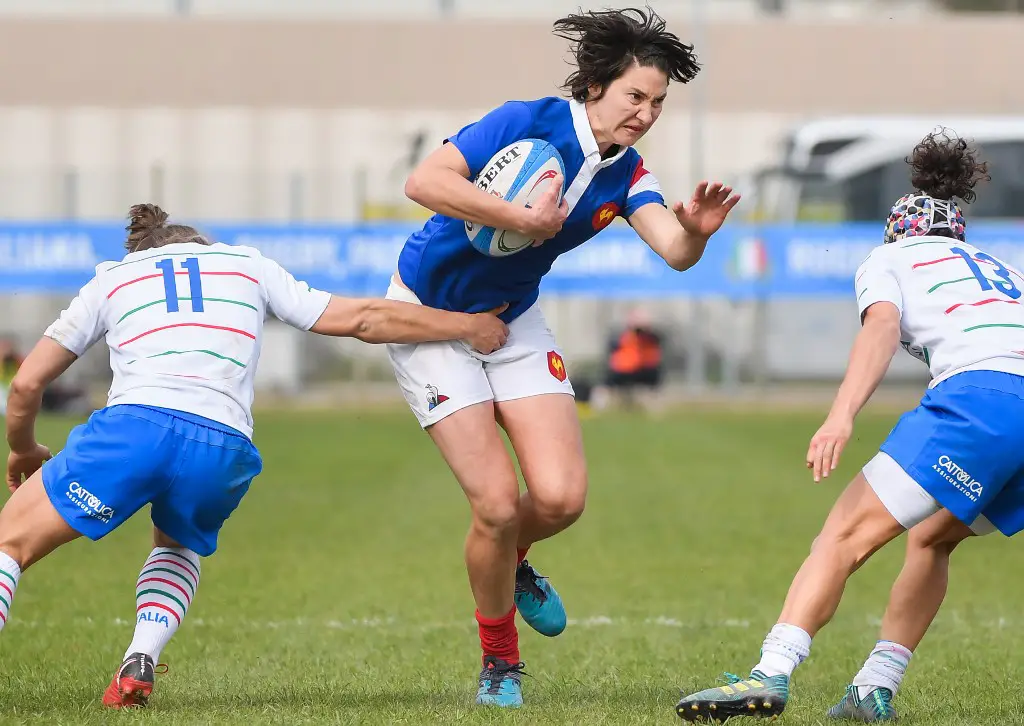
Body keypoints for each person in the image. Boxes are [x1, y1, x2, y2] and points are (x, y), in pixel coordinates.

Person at [1, 204, 509, 710]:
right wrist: (465, 326)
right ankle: (140, 655)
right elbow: (364, 318)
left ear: (145, 251)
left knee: (9, 544)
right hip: (223, 444)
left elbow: (25, 383)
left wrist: (24, 448)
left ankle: (138, 655)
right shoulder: (246, 264)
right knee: (177, 544)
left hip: (137, 427)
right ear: (201, 246)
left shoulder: (113, 278)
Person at [386, 7, 741, 708]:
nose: (646, 113)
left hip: (513, 321)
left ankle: (511, 561)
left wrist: (697, 234)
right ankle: (500, 665)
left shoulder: (627, 171)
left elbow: (673, 251)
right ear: (596, 86)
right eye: (636, 96)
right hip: (429, 317)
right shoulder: (528, 120)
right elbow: (424, 182)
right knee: (493, 504)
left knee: (560, 498)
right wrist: (522, 218)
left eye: (659, 103)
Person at [675, 129, 1023, 723]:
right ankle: (875, 689)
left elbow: (881, 329)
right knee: (934, 536)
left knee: (841, 537)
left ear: (898, 230)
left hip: (979, 399)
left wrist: (840, 416)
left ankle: (770, 674)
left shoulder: (889, 258)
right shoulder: (1000, 268)